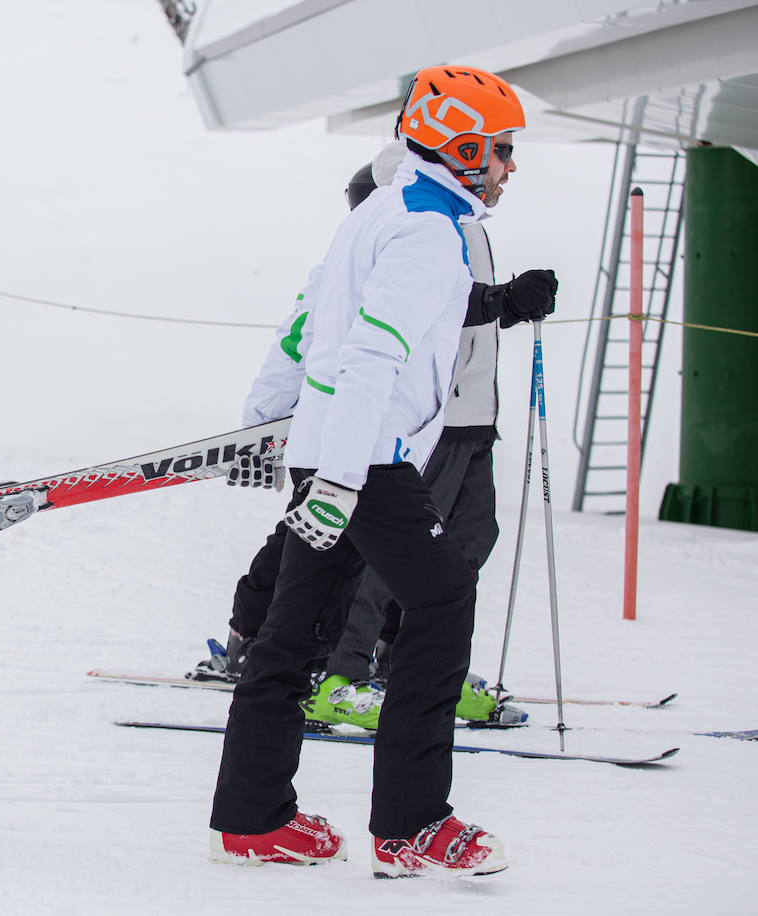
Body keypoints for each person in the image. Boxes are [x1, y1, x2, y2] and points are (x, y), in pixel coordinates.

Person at [208, 65, 534, 878]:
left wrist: (294, 445)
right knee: (444, 594)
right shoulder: (428, 230)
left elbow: (322, 316)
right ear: (460, 149)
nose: (508, 167)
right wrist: (349, 482)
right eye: (499, 150)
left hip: (332, 451)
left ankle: (254, 818)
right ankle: (415, 823)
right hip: (366, 461)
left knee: (297, 628)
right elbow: (370, 354)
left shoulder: (388, 211)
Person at [196, 142, 557, 731]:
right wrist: (261, 424)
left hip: (455, 415)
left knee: (457, 549)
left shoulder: (457, 224)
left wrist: (505, 304)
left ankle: (407, 666)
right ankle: (326, 669)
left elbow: (456, 307)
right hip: (382, 431)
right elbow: (305, 345)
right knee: (352, 554)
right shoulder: (394, 237)